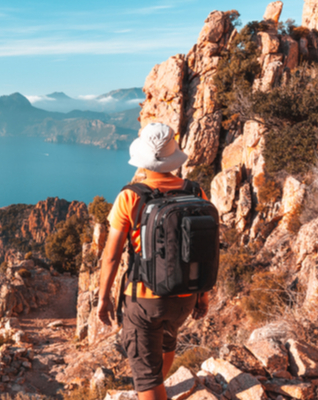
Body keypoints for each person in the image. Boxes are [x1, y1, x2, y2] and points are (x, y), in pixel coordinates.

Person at [96, 122, 211, 400]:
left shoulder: (130, 197)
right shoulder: (196, 192)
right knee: (166, 345)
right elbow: (204, 250)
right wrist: (203, 296)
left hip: (144, 300)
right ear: (173, 157)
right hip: (185, 298)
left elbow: (111, 256)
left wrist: (104, 298)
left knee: (146, 375)